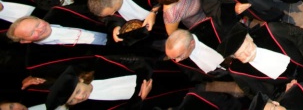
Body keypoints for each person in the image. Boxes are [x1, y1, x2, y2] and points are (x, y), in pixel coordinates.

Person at [219, 21, 303, 99]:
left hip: (299, 61)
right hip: (287, 81)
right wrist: (283, 91)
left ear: (250, 38)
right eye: (240, 54)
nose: (247, 54)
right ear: (234, 57)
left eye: (247, 47)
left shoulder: (271, 30)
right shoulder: (237, 72)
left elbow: (296, 34)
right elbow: (257, 91)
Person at [44, 60, 192, 109]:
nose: (79, 98)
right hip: (153, 99)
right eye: (72, 101)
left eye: (76, 92)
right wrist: (141, 99)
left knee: (186, 78)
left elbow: (133, 61)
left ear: (81, 79)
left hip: (155, 75)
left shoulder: (100, 65)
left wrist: (145, 78)